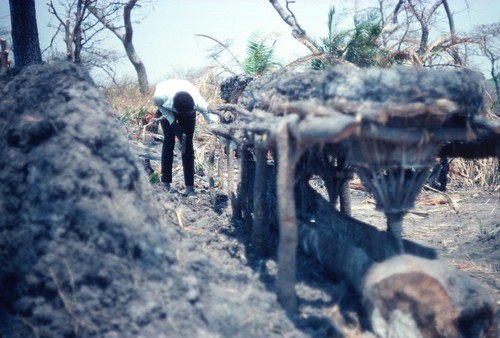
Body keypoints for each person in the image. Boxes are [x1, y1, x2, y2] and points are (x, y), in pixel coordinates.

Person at [153, 79, 215, 197]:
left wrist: (227, 140)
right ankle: (165, 183)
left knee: (187, 145)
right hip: (167, 110)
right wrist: (173, 124)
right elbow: (161, 108)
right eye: (184, 113)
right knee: (169, 140)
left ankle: (190, 187)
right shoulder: (160, 97)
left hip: (187, 107)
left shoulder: (198, 103)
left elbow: (211, 120)